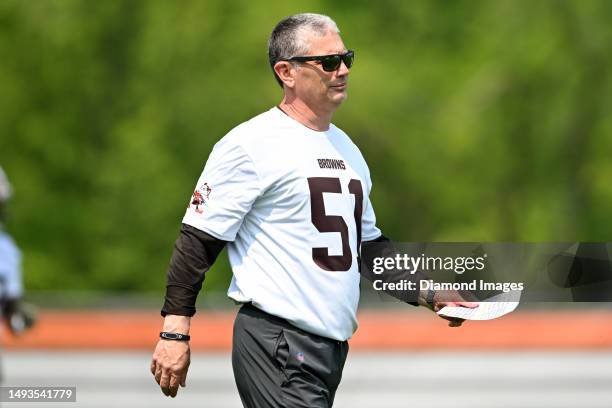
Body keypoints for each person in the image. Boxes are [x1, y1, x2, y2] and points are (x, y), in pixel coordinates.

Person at [150, 13, 476, 407]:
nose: (342, 71)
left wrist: (430, 291)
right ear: (286, 72)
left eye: (346, 59)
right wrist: (174, 332)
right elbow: (198, 240)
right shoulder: (251, 144)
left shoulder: (347, 150)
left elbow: (368, 248)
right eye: (328, 62)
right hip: (280, 343)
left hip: (329, 348)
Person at [0, 166, 35, 336]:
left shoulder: (5, 248)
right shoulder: (5, 249)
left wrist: (18, 316)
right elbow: (14, 313)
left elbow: (13, 312)